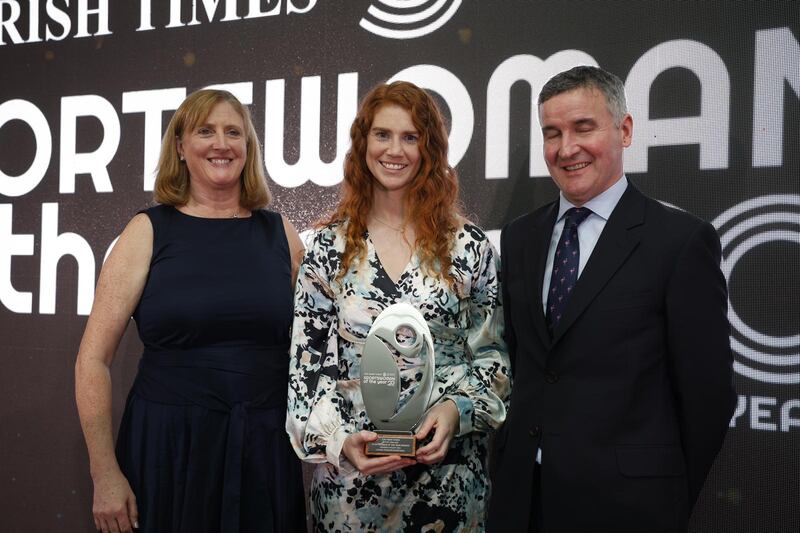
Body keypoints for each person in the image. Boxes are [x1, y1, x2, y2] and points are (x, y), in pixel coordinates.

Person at [487, 66, 736, 533]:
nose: (566, 148)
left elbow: (709, 396)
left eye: (584, 128)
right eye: (552, 133)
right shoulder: (521, 237)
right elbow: (523, 365)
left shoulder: (680, 242)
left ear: (624, 130)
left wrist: (664, 497)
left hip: (628, 509)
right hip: (521, 504)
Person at [75, 89, 307, 533]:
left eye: (233, 132)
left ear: (248, 147)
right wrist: (104, 473)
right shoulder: (146, 231)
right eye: (206, 131)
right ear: (180, 147)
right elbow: (92, 360)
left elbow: (321, 346)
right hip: (166, 450)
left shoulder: (281, 233)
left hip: (261, 451)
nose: (221, 143)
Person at [286, 81, 511, 532]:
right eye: (383, 134)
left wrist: (456, 412)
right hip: (351, 493)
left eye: (411, 137)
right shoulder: (328, 250)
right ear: (362, 144)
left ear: (430, 148)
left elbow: (493, 363)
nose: (395, 150)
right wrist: (341, 441)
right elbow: (305, 375)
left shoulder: (468, 248)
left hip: (449, 486)